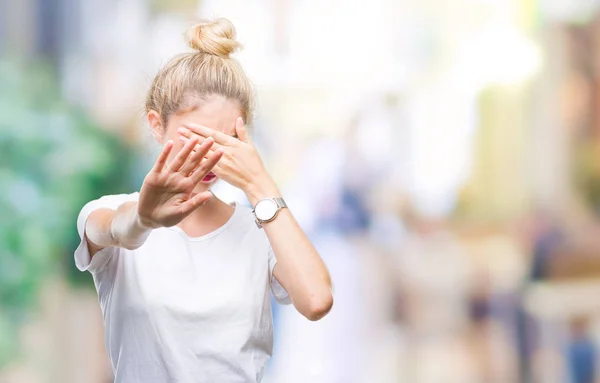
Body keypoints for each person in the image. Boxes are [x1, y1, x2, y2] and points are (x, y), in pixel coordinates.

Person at [74, 18, 333, 383]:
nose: (208, 157)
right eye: (195, 137)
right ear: (155, 124)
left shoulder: (261, 229)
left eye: (226, 140)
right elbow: (118, 230)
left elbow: (317, 299)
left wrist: (260, 184)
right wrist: (144, 219)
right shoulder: (111, 210)